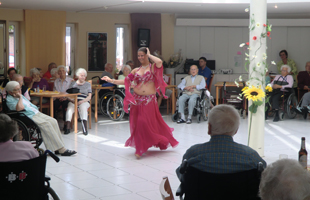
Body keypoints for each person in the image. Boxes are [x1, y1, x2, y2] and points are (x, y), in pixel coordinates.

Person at [101, 47, 179, 159]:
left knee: (144, 122)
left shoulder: (153, 68)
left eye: (142, 55)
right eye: (139, 56)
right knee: (138, 125)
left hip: (149, 101)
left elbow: (159, 62)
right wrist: (111, 80)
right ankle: (140, 148)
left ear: (147, 55)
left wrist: (149, 54)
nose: (140, 57)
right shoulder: (135, 70)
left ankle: (143, 146)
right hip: (137, 101)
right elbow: (126, 81)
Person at [176, 104, 266, 179]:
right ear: (236, 130)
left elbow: (182, 175)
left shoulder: (193, 153)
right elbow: (264, 175)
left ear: (209, 128)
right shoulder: (250, 155)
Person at [5, 81, 77, 156]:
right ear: (10, 92)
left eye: (19, 88)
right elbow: (20, 108)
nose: (19, 91)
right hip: (28, 116)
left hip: (35, 112)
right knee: (46, 124)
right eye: (16, 90)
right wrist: (20, 97)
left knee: (53, 121)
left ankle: (58, 148)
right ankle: (61, 149)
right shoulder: (10, 100)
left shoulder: (19, 95)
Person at [65, 68, 91, 135]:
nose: (83, 77)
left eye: (84, 76)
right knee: (70, 108)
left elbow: (89, 96)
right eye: (81, 75)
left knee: (83, 107)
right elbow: (68, 94)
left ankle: (84, 128)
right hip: (74, 100)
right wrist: (72, 100)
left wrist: (83, 101)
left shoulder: (88, 84)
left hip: (84, 101)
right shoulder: (73, 84)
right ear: (77, 76)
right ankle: (67, 127)